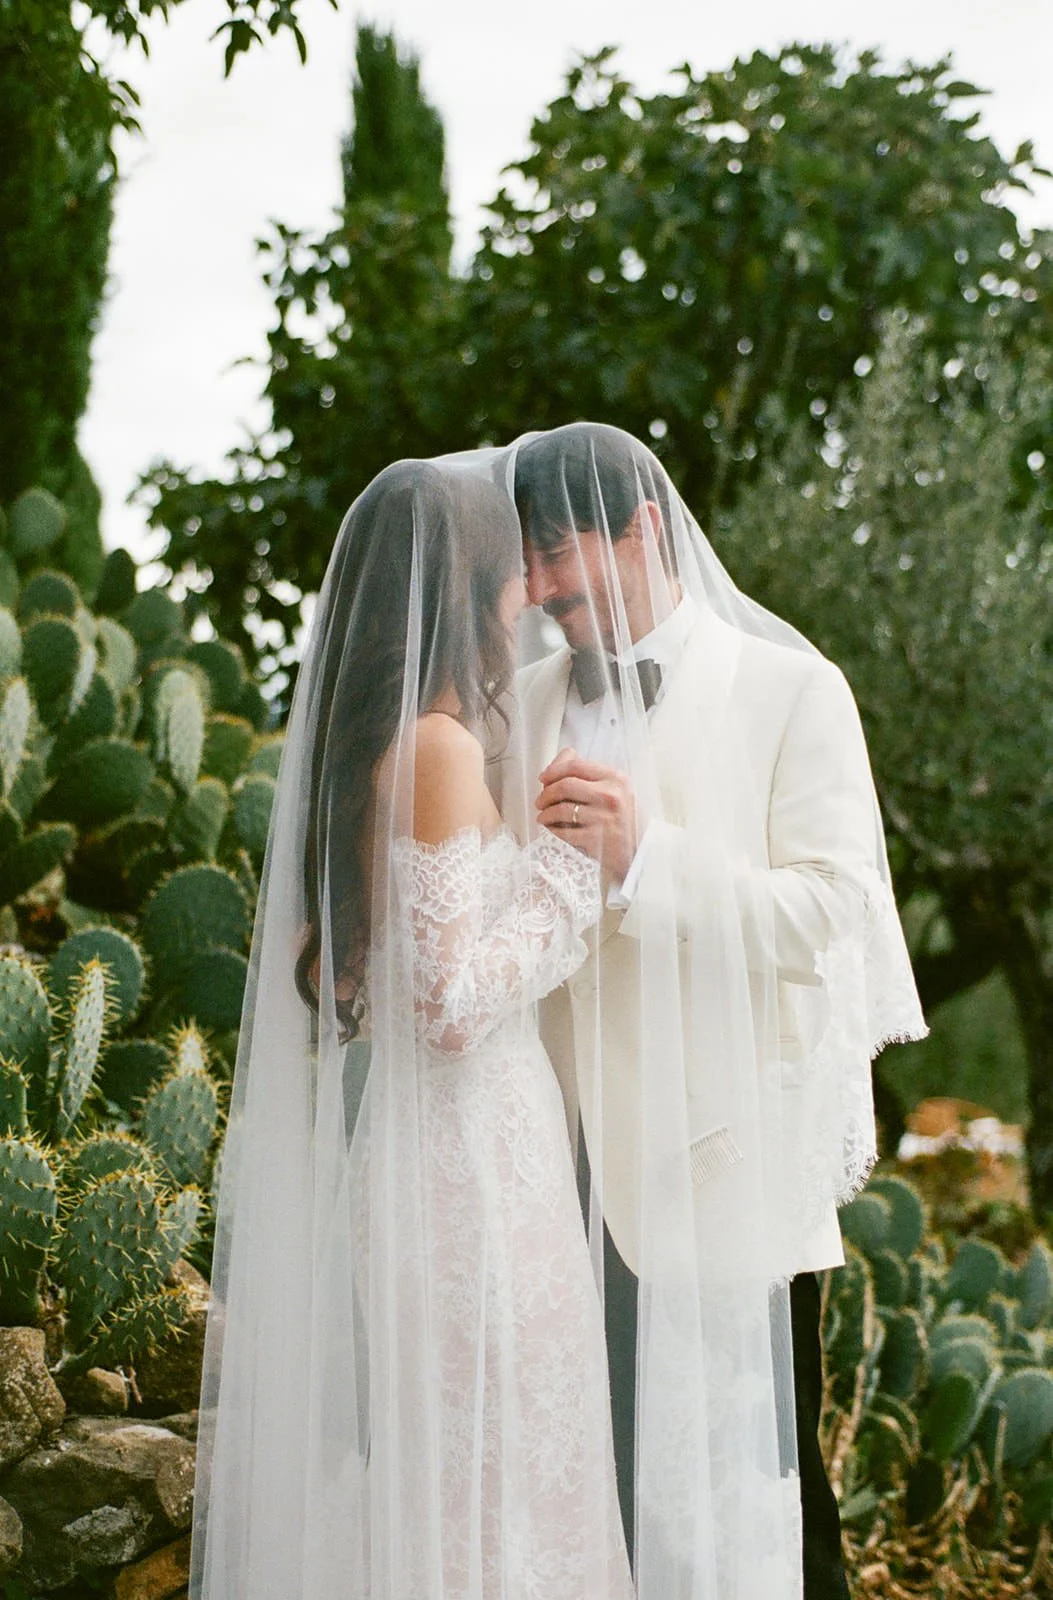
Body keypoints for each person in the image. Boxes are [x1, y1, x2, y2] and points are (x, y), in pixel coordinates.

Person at [491, 422, 928, 1598]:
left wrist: (645, 862)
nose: (536, 590)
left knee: (767, 1522)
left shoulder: (793, 692)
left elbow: (834, 922)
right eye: (522, 563)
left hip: (721, 1176)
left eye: (555, 552)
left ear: (641, 528)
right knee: (586, 1521)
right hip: (547, 1192)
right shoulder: (521, 702)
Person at [189, 457, 632, 1599]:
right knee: (489, 1474)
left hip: (461, 1156)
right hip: (470, 1168)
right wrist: (569, 881)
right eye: (507, 571)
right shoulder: (435, 746)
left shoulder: (405, 741)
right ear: (458, 585)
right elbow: (443, 1006)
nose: (527, 594)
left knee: (485, 1463)